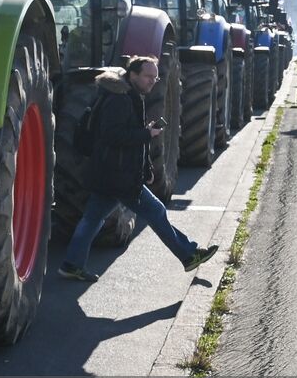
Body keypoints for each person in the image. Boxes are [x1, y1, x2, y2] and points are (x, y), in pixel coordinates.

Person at [59, 56, 218, 282]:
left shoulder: (124, 95)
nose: (152, 81)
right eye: (148, 76)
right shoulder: (120, 99)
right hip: (120, 176)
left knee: (92, 220)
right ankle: (189, 255)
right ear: (133, 75)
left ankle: (71, 265)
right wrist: (146, 134)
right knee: (157, 212)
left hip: (109, 174)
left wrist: (146, 160)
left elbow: (120, 133)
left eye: (155, 77)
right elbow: (111, 135)